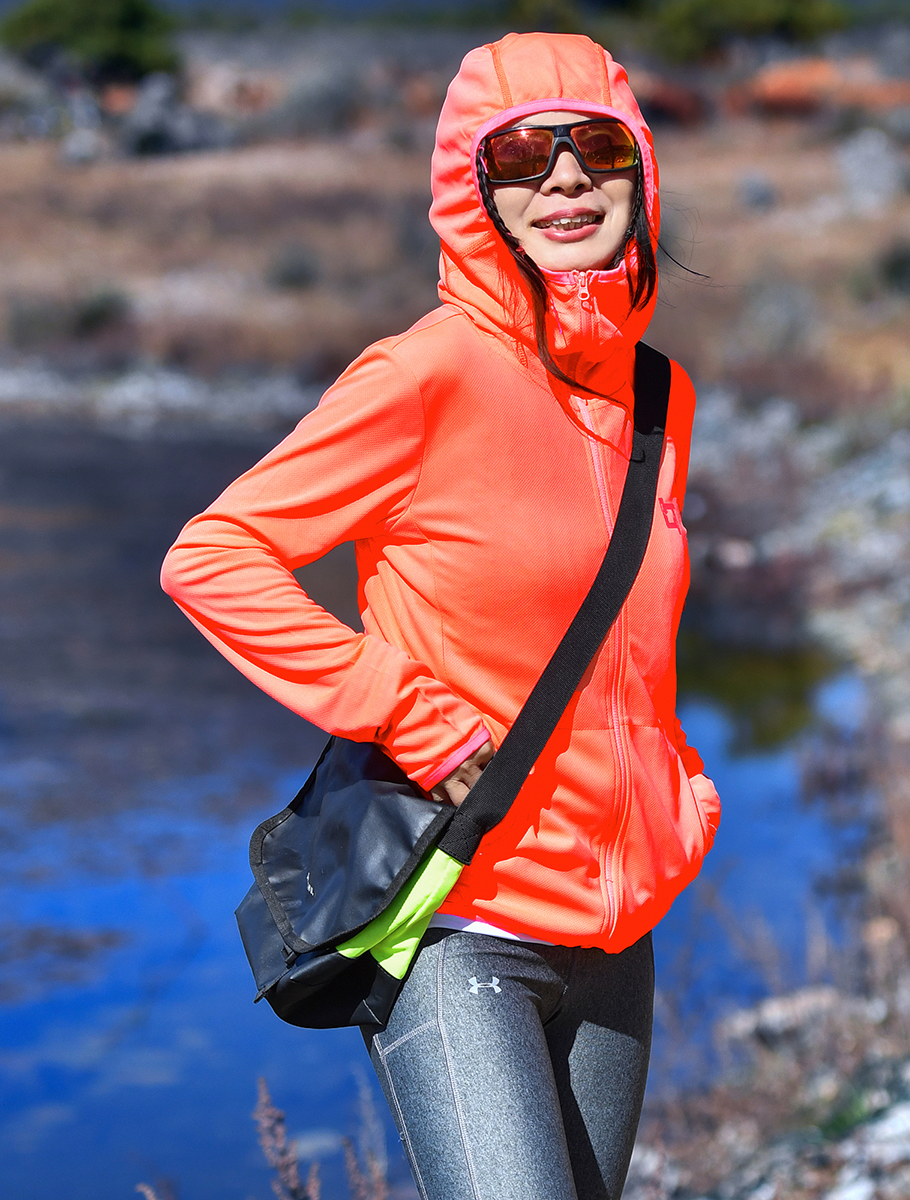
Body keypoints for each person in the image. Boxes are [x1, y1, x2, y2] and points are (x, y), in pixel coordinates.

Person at [161, 30, 719, 1200]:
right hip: (462, 922)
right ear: (475, 191)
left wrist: (675, 785)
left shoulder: (659, 397)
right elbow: (218, 554)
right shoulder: (427, 375)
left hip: (617, 931)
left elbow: (626, 646)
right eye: (523, 156)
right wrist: (409, 713)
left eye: (597, 148)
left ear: (642, 176)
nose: (566, 179)